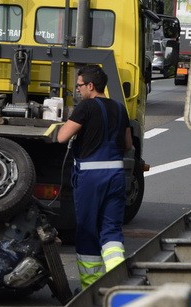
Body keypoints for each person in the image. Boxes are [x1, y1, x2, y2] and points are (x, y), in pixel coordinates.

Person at [55, 64, 134, 289]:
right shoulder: (120, 108)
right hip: (116, 175)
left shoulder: (86, 107)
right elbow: (127, 144)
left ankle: (91, 286)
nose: (77, 90)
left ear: (90, 86)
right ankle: (117, 280)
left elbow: (62, 137)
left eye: (79, 85)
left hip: (91, 176)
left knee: (88, 230)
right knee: (111, 229)